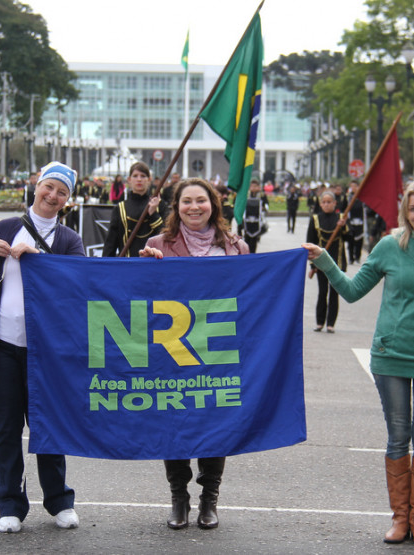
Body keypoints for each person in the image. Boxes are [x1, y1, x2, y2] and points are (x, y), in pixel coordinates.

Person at [303, 179, 414, 547]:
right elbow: (353, 291)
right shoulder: (390, 246)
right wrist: (325, 261)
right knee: (397, 439)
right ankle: (400, 519)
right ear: (405, 212)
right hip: (391, 353)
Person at [0, 161, 84, 534]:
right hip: (1, 345)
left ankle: (59, 500)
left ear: (68, 199)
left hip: (45, 352)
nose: (53, 196)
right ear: (36, 186)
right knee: (5, 426)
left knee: (48, 425)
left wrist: (42, 262)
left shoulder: (68, 239)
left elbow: (79, 285)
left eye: (61, 192)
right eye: (49, 187)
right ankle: (10, 504)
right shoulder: (4, 228)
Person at [139, 177, 249, 530]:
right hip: (172, 353)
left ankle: (209, 499)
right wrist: (144, 266)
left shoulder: (235, 247)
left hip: (217, 353)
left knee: (215, 426)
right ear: (177, 206)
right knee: (173, 423)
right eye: (186, 201)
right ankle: (179, 497)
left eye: (201, 200)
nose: (194, 207)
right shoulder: (159, 243)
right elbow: (138, 297)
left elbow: (251, 297)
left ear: (213, 204)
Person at [306, 191, 349, 333]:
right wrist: (313, 265)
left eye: (329, 202)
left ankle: (331, 324)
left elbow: (350, 238)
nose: (326, 204)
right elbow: (310, 242)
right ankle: (319, 322)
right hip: (321, 263)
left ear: (335, 203)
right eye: (324, 202)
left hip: (337, 262)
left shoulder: (341, 218)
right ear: (320, 204)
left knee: (334, 292)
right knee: (322, 292)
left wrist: (343, 227)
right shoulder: (315, 218)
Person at [102, 162, 162, 257]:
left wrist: (153, 214)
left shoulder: (160, 205)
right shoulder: (120, 208)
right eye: (135, 176)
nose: (139, 179)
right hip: (127, 265)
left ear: (149, 180)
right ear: (129, 180)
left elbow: (167, 237)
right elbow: (110, 244)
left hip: (154, 265)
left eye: (143, 176)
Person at [242, 179, 268, 253]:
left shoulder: (262, 196)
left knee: (254, 242)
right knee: (246, 241)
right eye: (252, 186)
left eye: (255, 186)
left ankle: (253, 254)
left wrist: (263, 208)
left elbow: (266, 206)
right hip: (247, 221)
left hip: (257, 222)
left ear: (258, 187)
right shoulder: (246, 195)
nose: (253, 188)